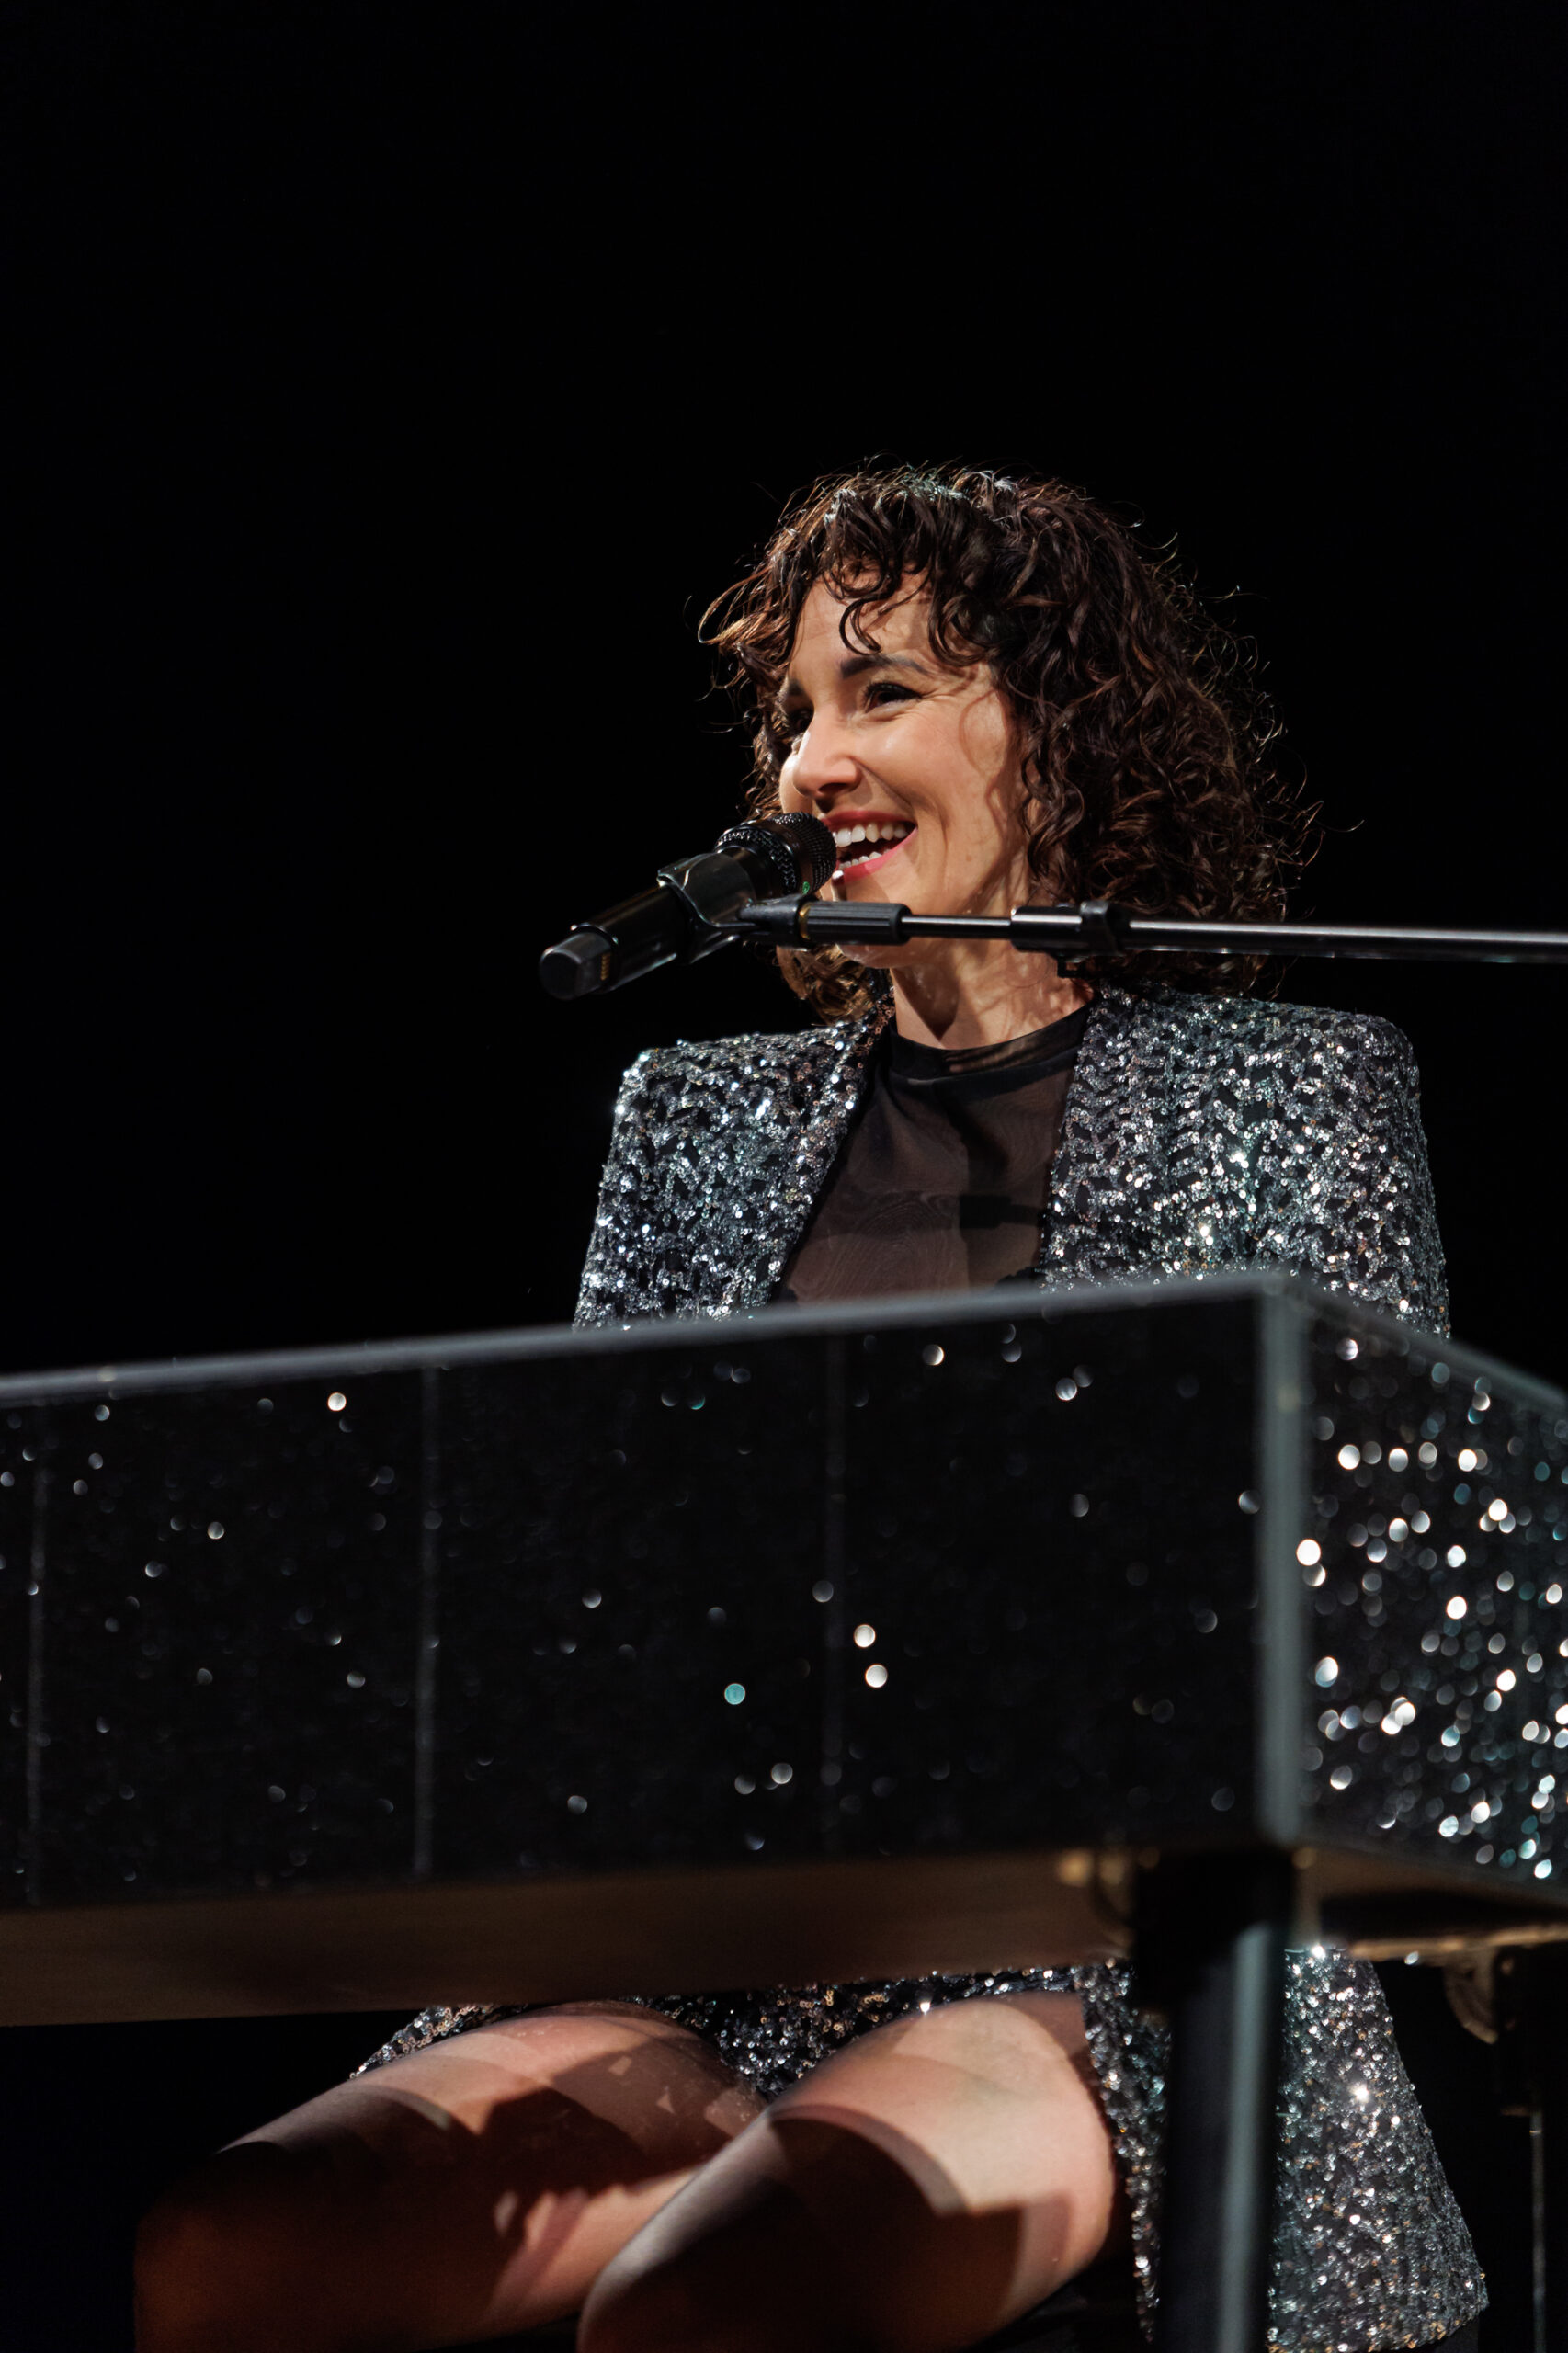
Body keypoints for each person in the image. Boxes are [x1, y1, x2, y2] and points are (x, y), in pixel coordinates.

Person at [135, 465, 1484, 2353]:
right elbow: (590, 1593)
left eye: (882, 691)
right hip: (724, 1955)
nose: (806, 763)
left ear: (1056, 728)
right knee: (232, 2246)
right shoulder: (695, 1116)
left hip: (1099, 1961)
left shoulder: (1294, 1089)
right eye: (793, 711)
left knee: (723, 2294)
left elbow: (1376, 1602)